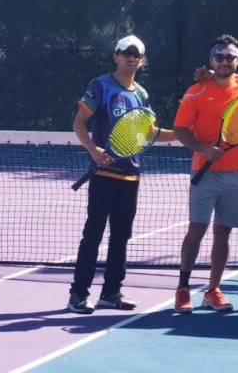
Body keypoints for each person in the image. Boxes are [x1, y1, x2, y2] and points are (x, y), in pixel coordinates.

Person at [67, 35, 175, 314]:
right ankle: (78, 294)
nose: (131, 57)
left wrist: (186, 135)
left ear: (143, 60)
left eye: (136, 54)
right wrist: (93, 150)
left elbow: (149, 133)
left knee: (120, 237)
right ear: (116, 56)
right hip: (104, 175)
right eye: (126, 52)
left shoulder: (141, 94)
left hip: (131, 177)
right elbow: (79, 123)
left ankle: (111, 292)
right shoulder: (100, 85)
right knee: (93, 235)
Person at [171, 35, 238, 313]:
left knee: (223, 233)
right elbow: (181, 130)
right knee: (196, 230)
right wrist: (203, 149)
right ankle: (183, 289)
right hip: (204, 173)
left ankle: (213, 290)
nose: (224, 61)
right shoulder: (196, 91)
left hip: (237, 173)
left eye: (229, 57)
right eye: (218, 57)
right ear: (211, 61)